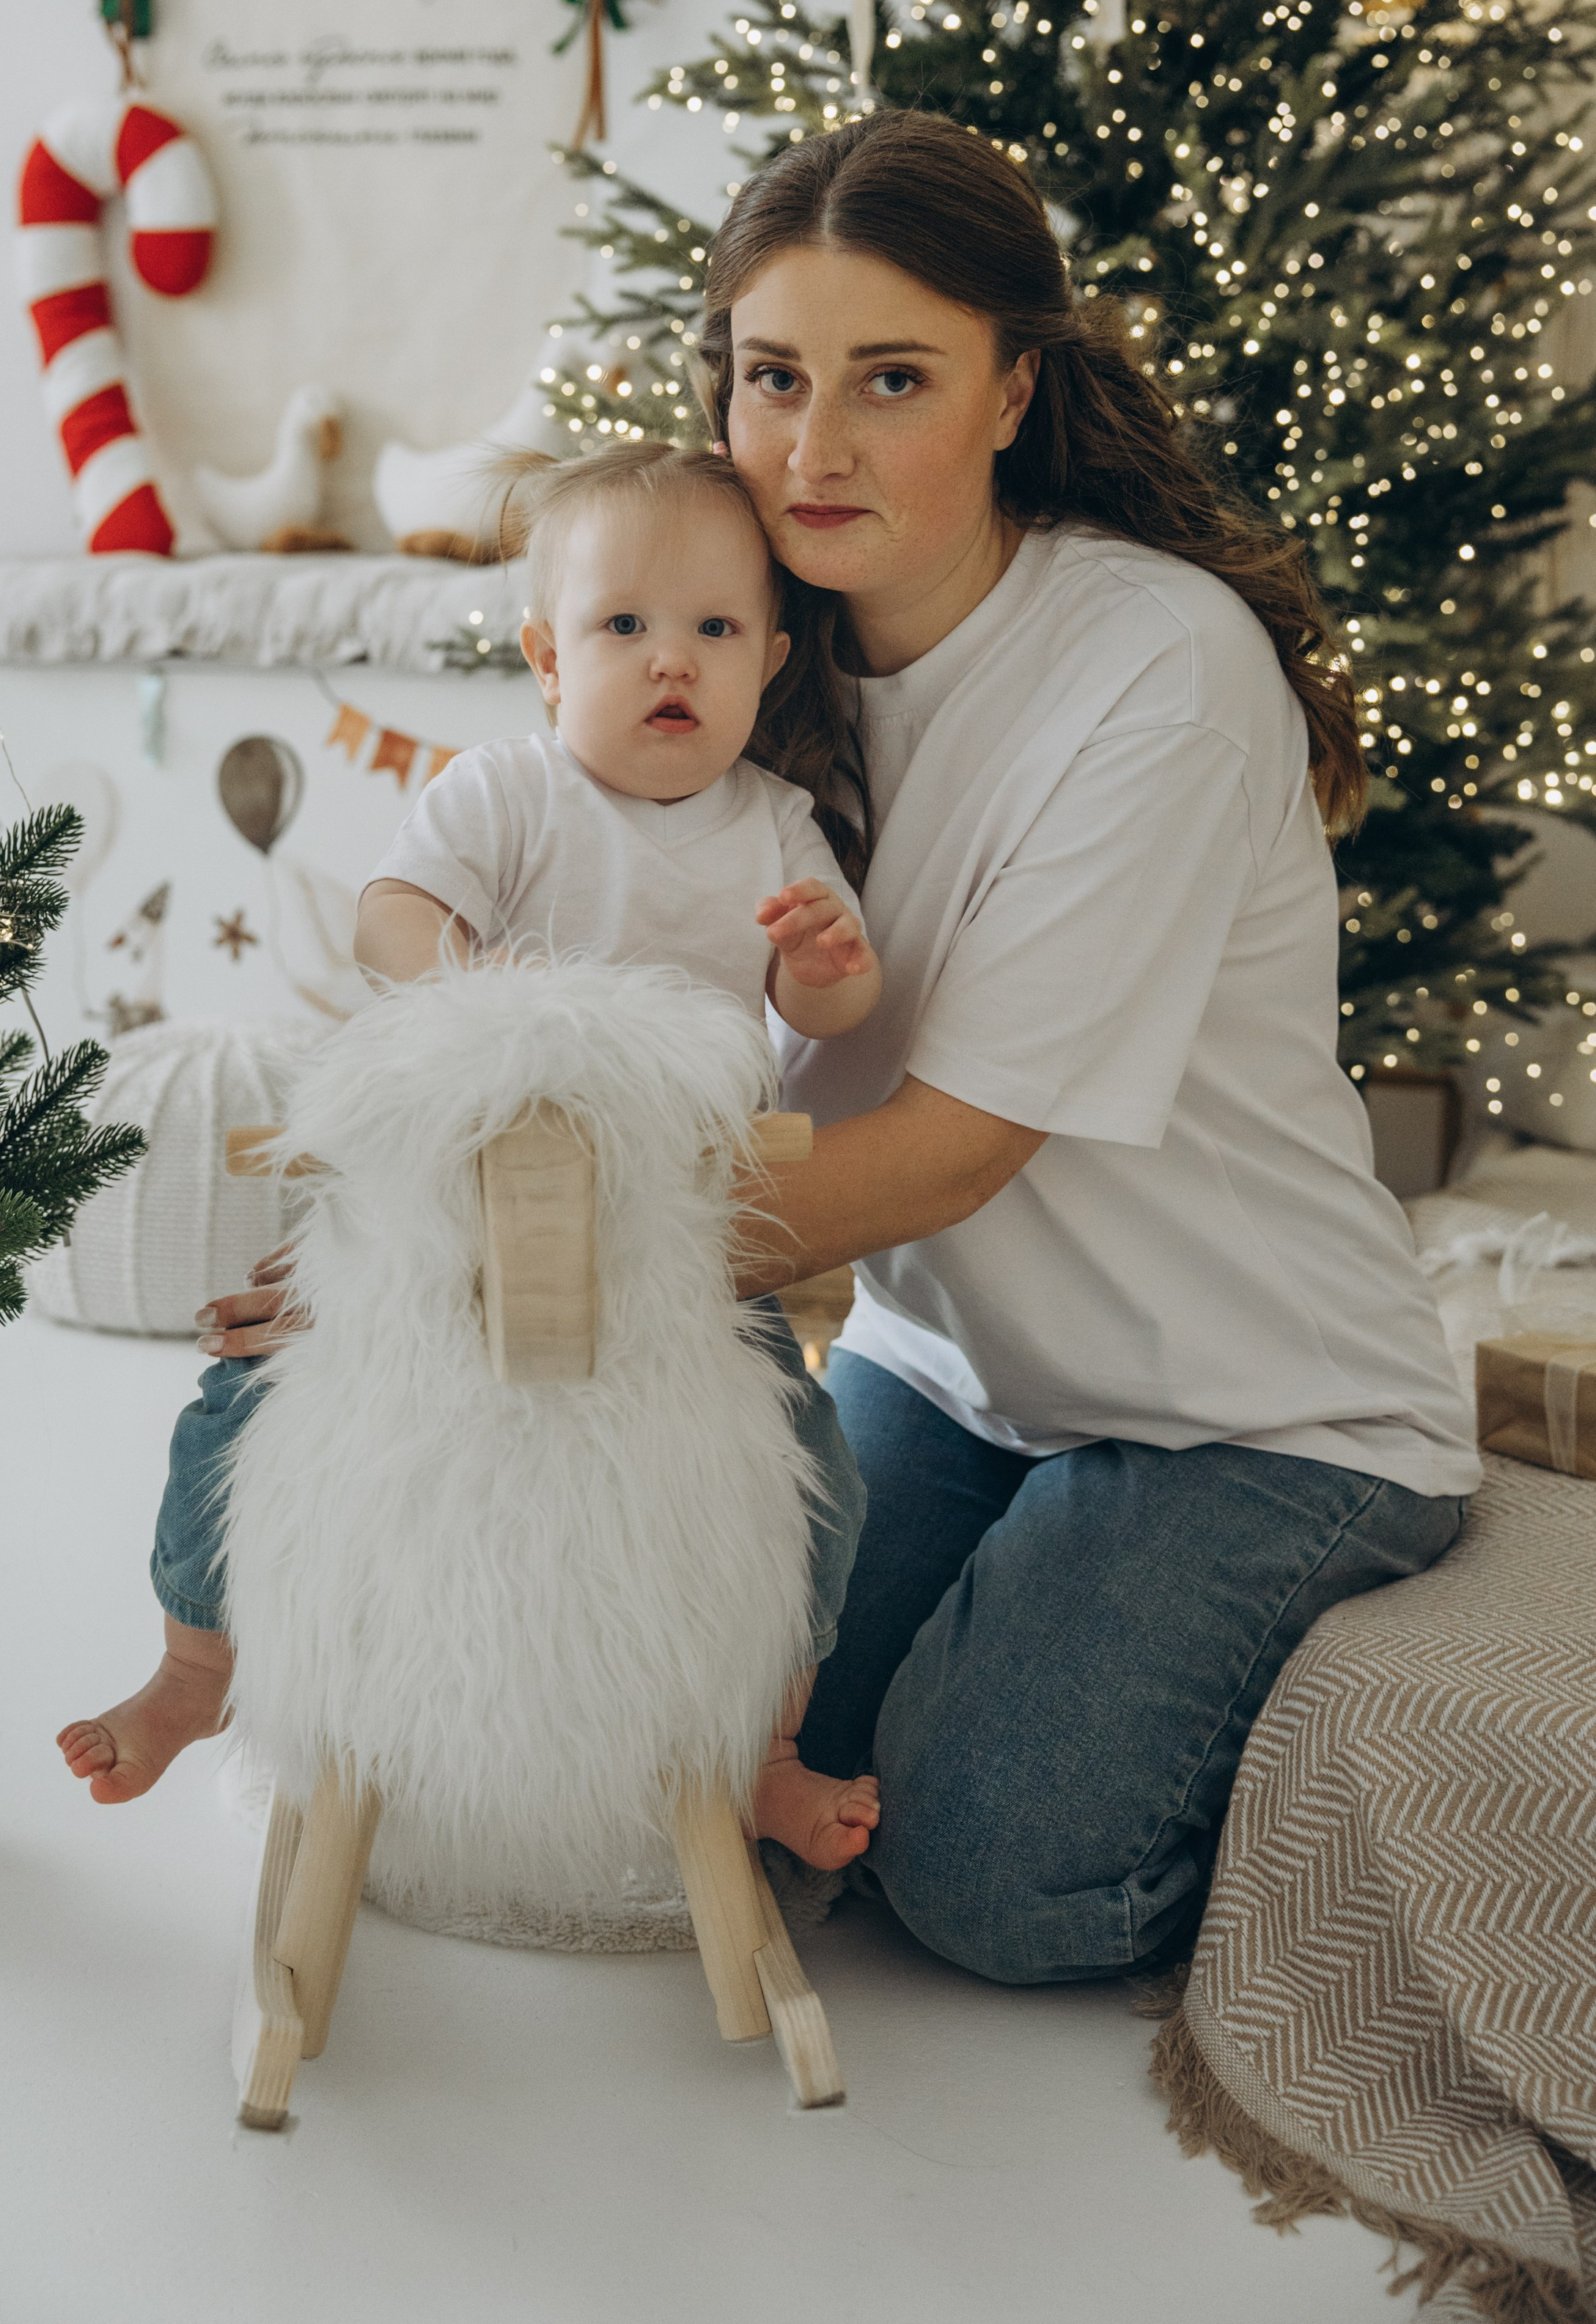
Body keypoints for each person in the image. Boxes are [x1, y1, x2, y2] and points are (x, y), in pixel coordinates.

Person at [194, 111, 1478, 1985]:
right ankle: (1028, 1599)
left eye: (891, 381)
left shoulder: (1153, 670)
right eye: (770, 379)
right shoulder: (735, 656)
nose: (812, 447)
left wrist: (455, 1283)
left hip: (1247, 1407)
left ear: (1012, 390)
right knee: (681, 1759)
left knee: (983, 1884)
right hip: (956, 1371)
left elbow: (946, 1152)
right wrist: (412, 1204)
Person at [59, 437, 883, 1873]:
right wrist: (476, 983)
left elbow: (829, 1012)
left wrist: (823, 965)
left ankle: (762, 1744)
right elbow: (389, 915)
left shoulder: (772, 829)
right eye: (620, 626)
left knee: (809, 1462)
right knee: (235, 1406)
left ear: (769, 656)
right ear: (547, 659)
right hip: (447, 1233)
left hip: (671, 1259)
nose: (668, 661)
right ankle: (199, 1665)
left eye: (710, 629)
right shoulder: (508, 794)